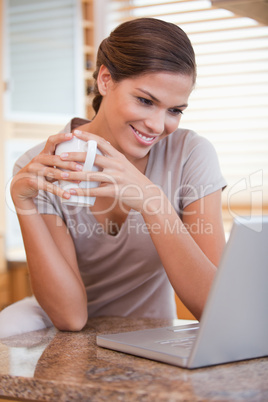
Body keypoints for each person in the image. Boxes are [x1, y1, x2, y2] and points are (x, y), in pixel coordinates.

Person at [0, 18, 226, 338]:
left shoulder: (190, 154)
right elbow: (71, 317)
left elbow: (216, 307)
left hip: (150, 332)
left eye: (175, 110)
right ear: (105, 80)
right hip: (65, 327)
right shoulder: (46, 164)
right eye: (145, 101)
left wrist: (152, 201)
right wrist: (23, 202)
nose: (157, 125)